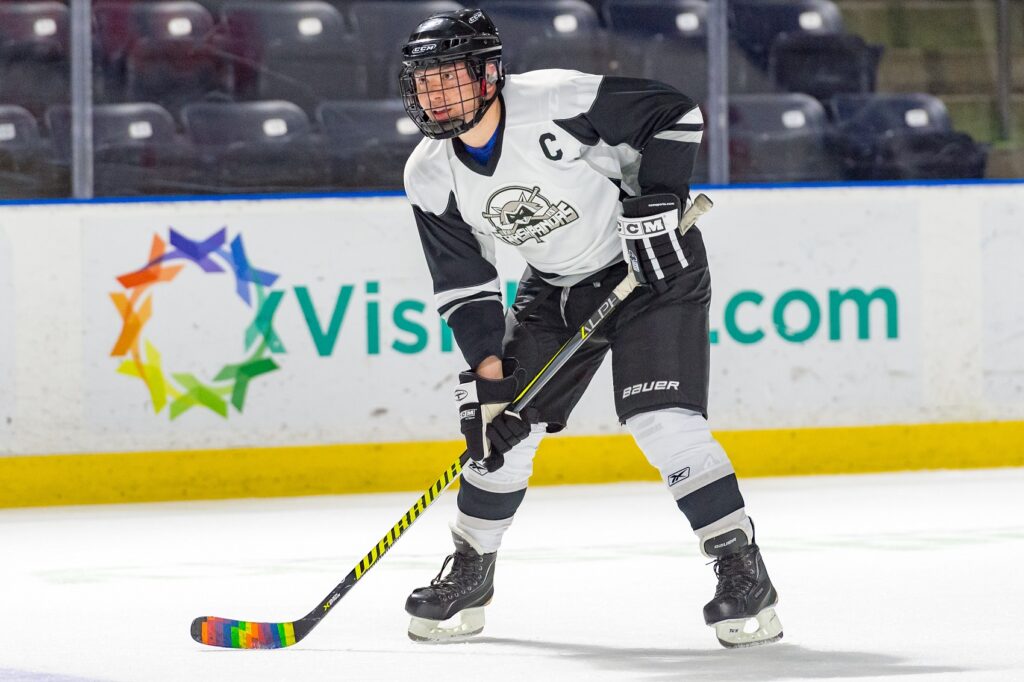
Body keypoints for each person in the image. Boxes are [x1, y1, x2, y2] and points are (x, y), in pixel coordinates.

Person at [398, 8, 781, 649]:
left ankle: (743, 573)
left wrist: (655, 202)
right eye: (425, 83)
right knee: (500, 434)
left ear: (490, 73)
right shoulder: (429, 173)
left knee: (662, 419)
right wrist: (490, 384)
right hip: (552, 289)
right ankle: (471, 573)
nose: (436, 96)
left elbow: (676, 113)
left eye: (450, 78)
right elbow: (466, 288)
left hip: (651, 268)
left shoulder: (554, 98)